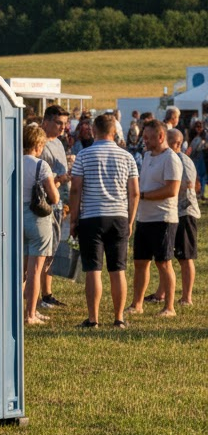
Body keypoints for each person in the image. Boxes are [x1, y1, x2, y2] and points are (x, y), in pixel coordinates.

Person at [69, 112, 140, 329]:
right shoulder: (127, 157)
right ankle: (119, 318)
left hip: (92, 216)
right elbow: (135, 192)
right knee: (118, 269)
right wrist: (130, 220)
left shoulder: (84, 155)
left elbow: (75, 189)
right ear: (114, 131)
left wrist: (73, 219)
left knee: (93, 269)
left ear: (93, 130)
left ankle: (93, 318)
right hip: (118, 215)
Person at [126, 120, 181, 318]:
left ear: (160, 137)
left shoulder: (171, 159)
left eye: (148, 137)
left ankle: (169, 307)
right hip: (144, 218)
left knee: (164, 263)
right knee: (140, 262)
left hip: (163, 218)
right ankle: (137, 304)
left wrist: (144, 195)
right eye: (143, 137)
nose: (144, 141)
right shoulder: (148, 156)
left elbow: (172, 189)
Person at [22, 124, 59, 326]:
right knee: (36, 270)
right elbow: (53, 197)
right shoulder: (41, 165)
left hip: (16, 217)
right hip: (37, 219)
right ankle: (30, 314)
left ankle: (16, 311)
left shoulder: (12, 162)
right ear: (37, 145)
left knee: (21, 271)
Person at [37, 105, 71, 311]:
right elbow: (36, 176)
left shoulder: (58, 143)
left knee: (52, 249)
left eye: (65, 124)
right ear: (46, 121)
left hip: (58, 203)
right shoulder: (38, 143)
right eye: (59, 123)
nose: (63, 128)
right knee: (40, 251)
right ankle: (36, 295)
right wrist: (59, 179)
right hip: (42, 204)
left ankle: (47, 293)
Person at [162, 128, 198, 306]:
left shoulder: (184, 160)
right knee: (166, 256)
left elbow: (189, 184)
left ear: (176, 143)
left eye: (165, 140)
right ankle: (161, 293)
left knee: (185, 257)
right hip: (172, 213)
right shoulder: (168, 158)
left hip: (185, 213)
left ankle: (187, 297)